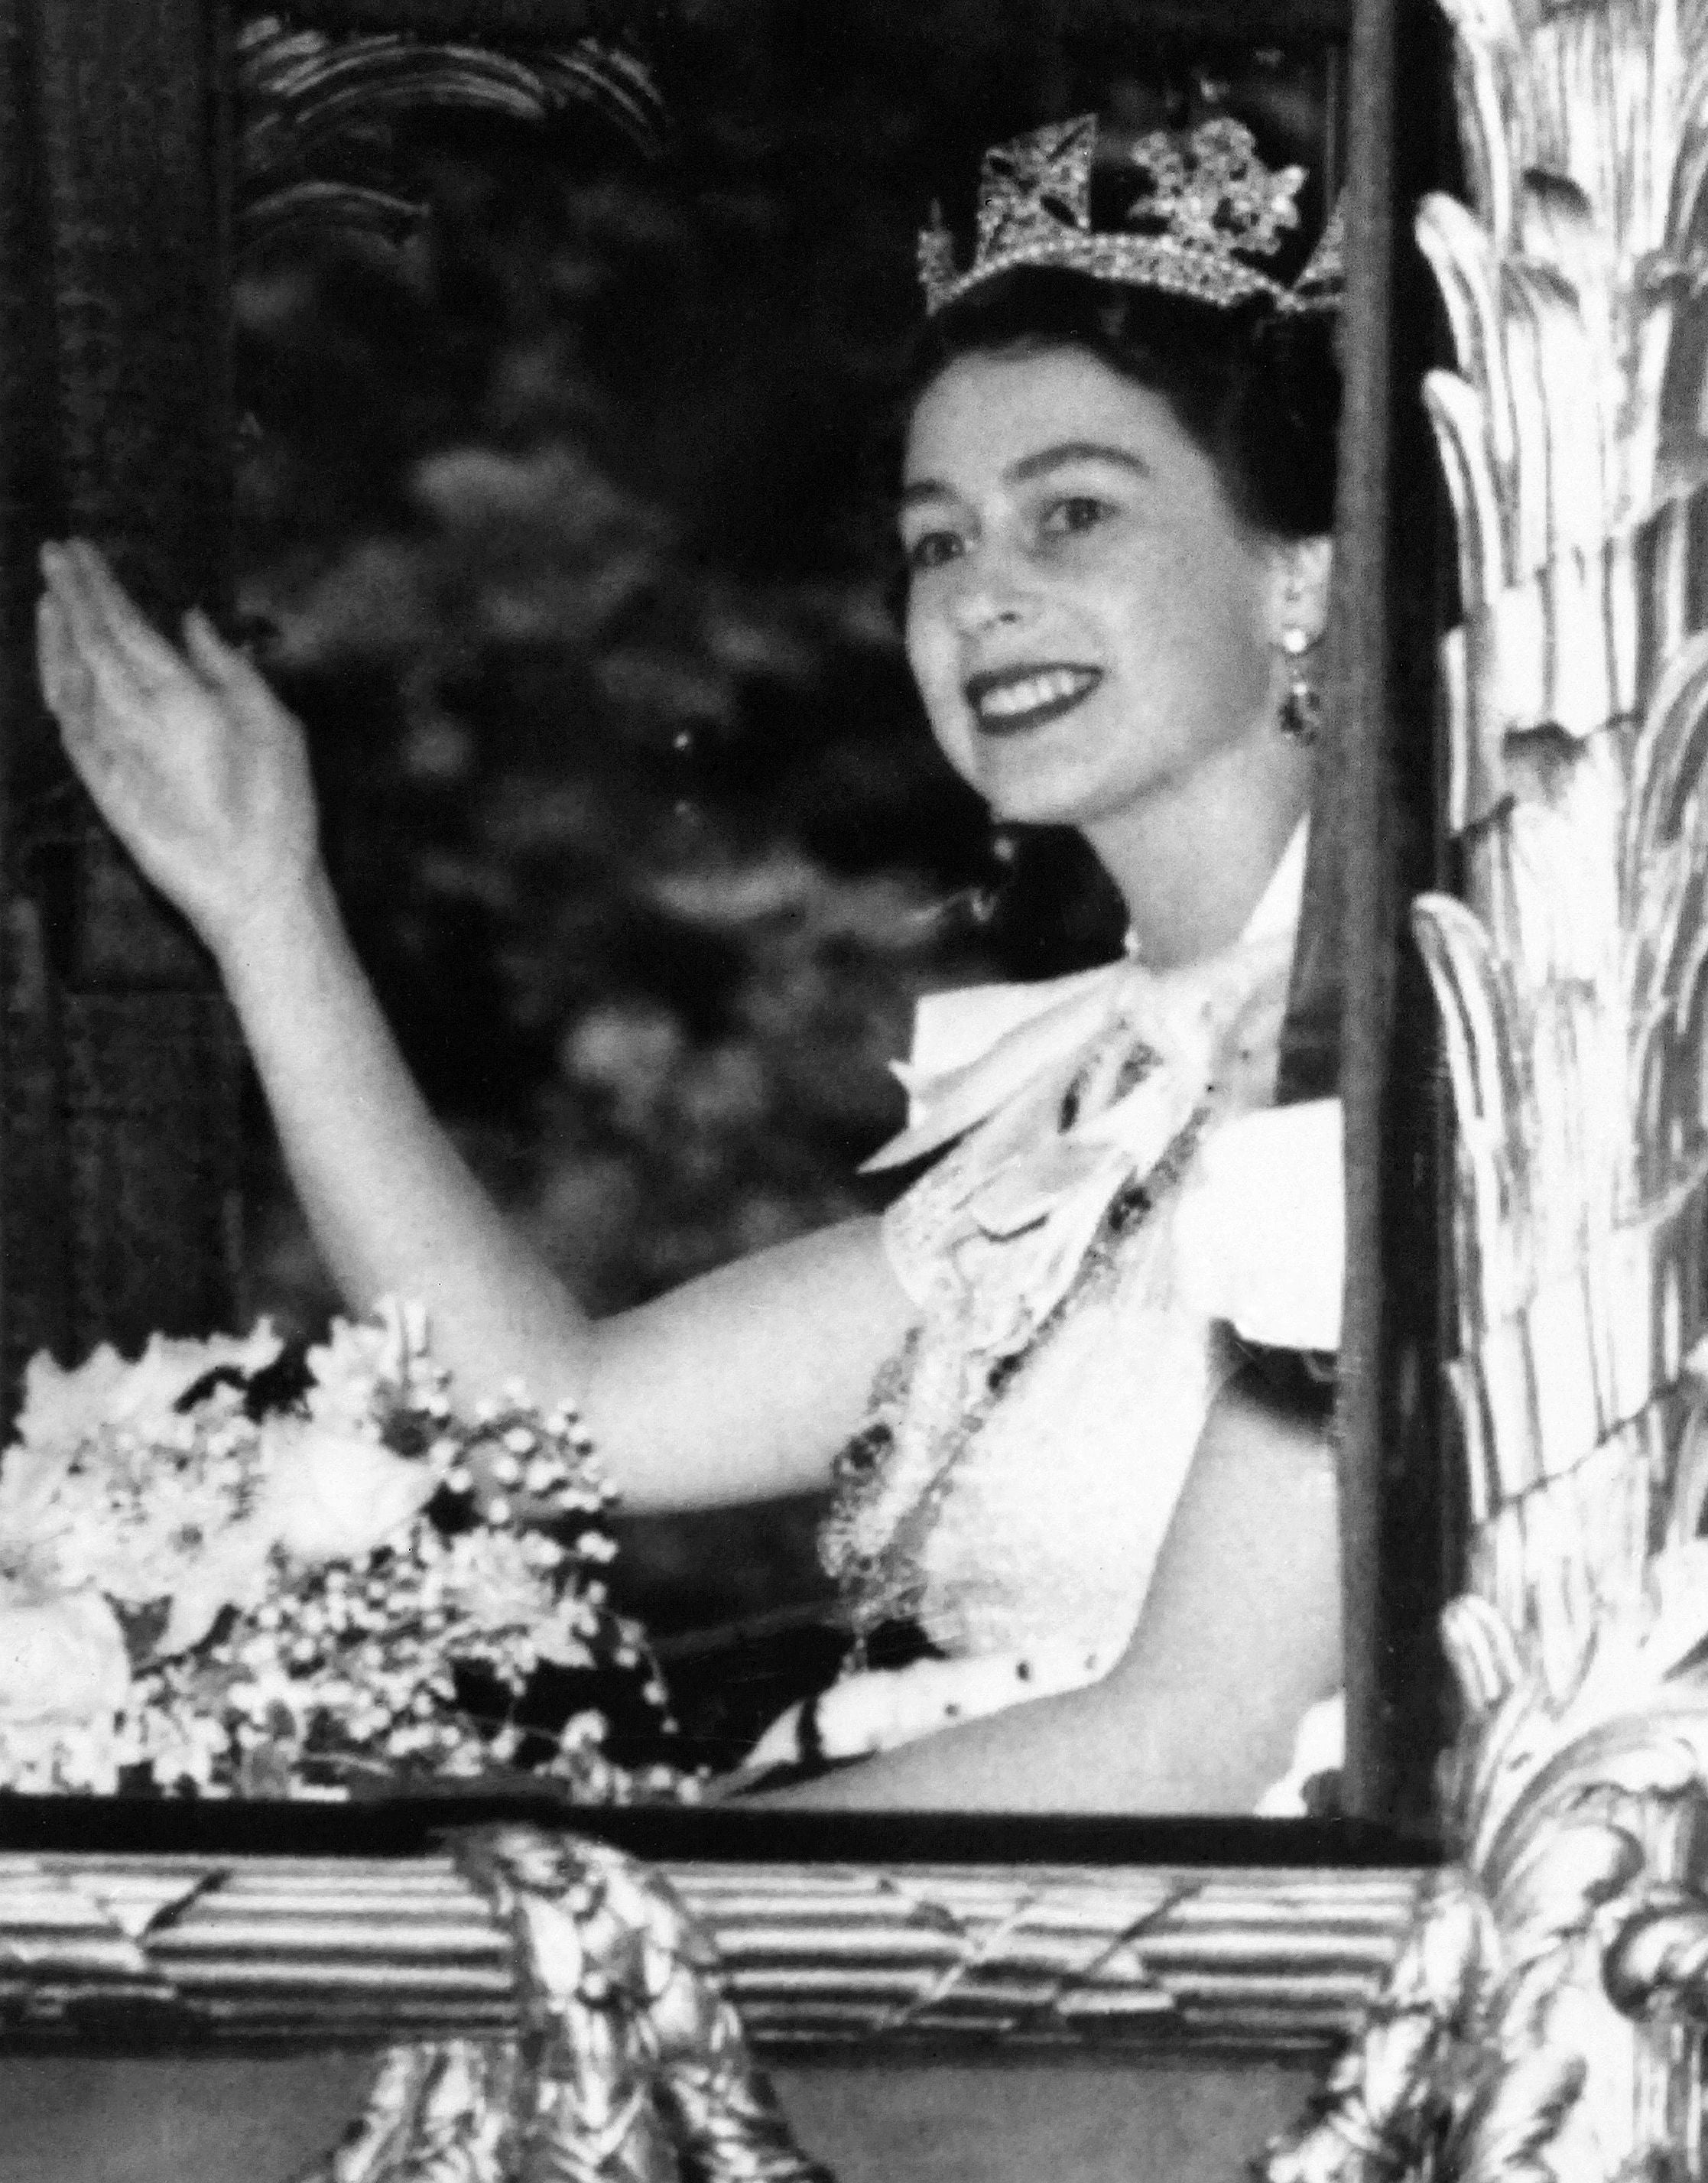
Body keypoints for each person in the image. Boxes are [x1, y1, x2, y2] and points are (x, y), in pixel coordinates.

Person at [33, 110, 1346, 1812]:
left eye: (1072, 515)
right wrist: (267, 906)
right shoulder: (1090, 1115)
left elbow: (1198, 1739)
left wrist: (620, 1910)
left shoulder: (1366, 1053)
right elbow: (557, 1411)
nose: (979, 597)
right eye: (939, 540)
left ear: (1300, 575)